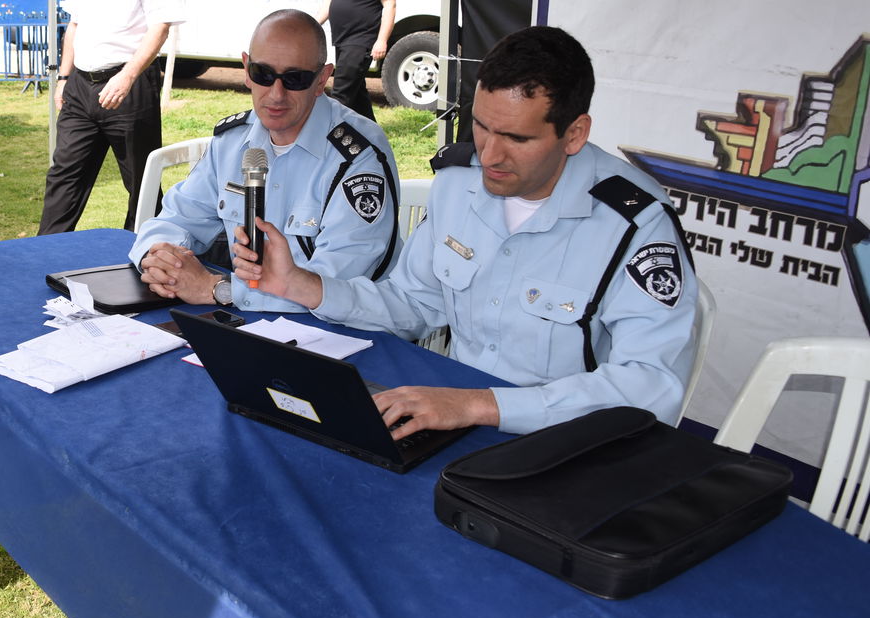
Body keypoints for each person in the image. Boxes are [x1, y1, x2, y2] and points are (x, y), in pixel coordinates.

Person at [235, 26, 697, 438]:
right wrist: (303, 285)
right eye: (480, 126)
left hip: (565, 443)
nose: (490, 156)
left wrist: (480, 405)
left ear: (574, 134)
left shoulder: (634, 223)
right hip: (452, 420)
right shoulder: (458, 183)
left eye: (517, 139)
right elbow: (414, 303)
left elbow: (650, 385)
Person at [131, 9, 401, 311]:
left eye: (295, 79)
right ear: (246, 69)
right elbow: (175, 218)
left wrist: (220, 290)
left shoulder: (356, 156)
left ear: (322, 78)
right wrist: (160, 259)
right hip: (253, 327)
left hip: (345, 335)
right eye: (263, 74)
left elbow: (334, 285)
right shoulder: (232, 141)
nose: (276, 94)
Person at [38, 0, 184, 234]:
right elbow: (74, 26)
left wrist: (127, 76)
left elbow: (160, 28)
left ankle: (144, 252)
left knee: (141, 181)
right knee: (64, 174)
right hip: (80, 88)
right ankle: (43, 251)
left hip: (129, 88)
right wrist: (63, 78)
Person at [317, 0, 396, 121]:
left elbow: (390, 6)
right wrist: (312, 25)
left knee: (341, 93)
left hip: (361, 41)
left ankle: (327, 134)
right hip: (342, 41)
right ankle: (372, 134)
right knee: (358, 95)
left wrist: (381, 40)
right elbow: (330, 1)